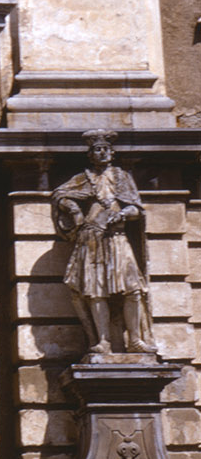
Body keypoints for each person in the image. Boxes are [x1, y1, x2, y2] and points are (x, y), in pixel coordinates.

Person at [51, 130, 156, 357]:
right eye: (96, 149)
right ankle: (103, 340)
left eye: (105, 149)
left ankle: (135, 339)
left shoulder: (122, 177)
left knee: (133, 289)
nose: (101, 153)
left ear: (112, 152)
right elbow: (60, 195)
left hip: (117, 238)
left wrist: (125, 214)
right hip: (92, 239)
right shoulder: (83, 178)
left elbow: (136, 208)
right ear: (90, 155)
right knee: (95, 291)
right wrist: (75, 210)